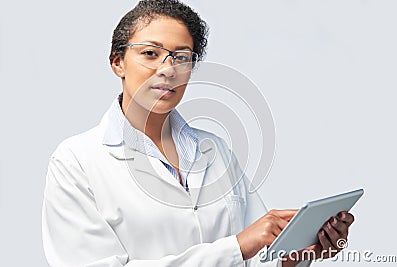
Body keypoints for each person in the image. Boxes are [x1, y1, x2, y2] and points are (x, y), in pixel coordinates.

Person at [42, 0, 355, 266]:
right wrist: (235, 248)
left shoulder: (215, 151)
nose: (168, 69)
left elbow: (257, 254)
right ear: (117, 62)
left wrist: (293, 257)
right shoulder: (76, 162)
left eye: (182, 57)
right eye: (150, 53)